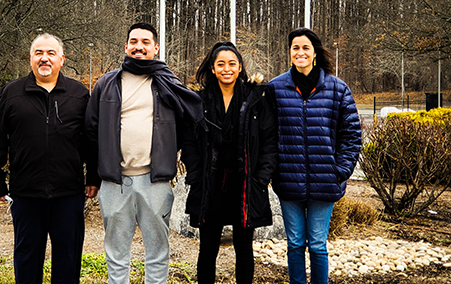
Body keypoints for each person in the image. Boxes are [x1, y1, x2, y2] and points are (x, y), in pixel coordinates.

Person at [85, 22, 202, 284]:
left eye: (145, 42)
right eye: (134, 42)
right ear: (126, 46)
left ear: (155, 48)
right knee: (116, 253)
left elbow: (188, 128)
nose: (139, 47)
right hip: (115, 183)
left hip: (155, 181)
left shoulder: (169, 84)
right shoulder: (106, 83)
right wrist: (92, 177)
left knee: (158, 252)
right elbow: (91, 133)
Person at [0, 33, 99, 284]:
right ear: (30, 58)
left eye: (50, 53)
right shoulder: (11, 93)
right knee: (26, 259)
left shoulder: (79, 94)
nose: (44, 59)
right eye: (39, 53)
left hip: (68, 194)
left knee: (68, 259)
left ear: (62, 59)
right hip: (26, 194)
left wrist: (93, 178)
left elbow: (90, 140)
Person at [267, 28, 361, 284]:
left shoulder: (337, 89)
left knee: (318, 245)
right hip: (288, 181)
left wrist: (339, 171)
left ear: (315, 53)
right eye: (295, 48)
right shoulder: (275, 89)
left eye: (305, 48)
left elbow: (351, 136)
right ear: (290, 53)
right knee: (295, 244)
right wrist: (275, 171)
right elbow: (266, 135)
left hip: (325, 182)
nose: (300, 52)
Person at [182, 42, 277, 284]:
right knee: (208, 248)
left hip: (245, 185)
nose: (226, 68)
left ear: (240, 67)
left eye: (232, 63)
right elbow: (189, 142)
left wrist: (261, 178)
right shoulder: (198, 101)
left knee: (244, 248)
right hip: (209, 184)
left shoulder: (256, 99)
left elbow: (269, 142)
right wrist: (194, 174)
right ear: (212, 69)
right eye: (220, 64)